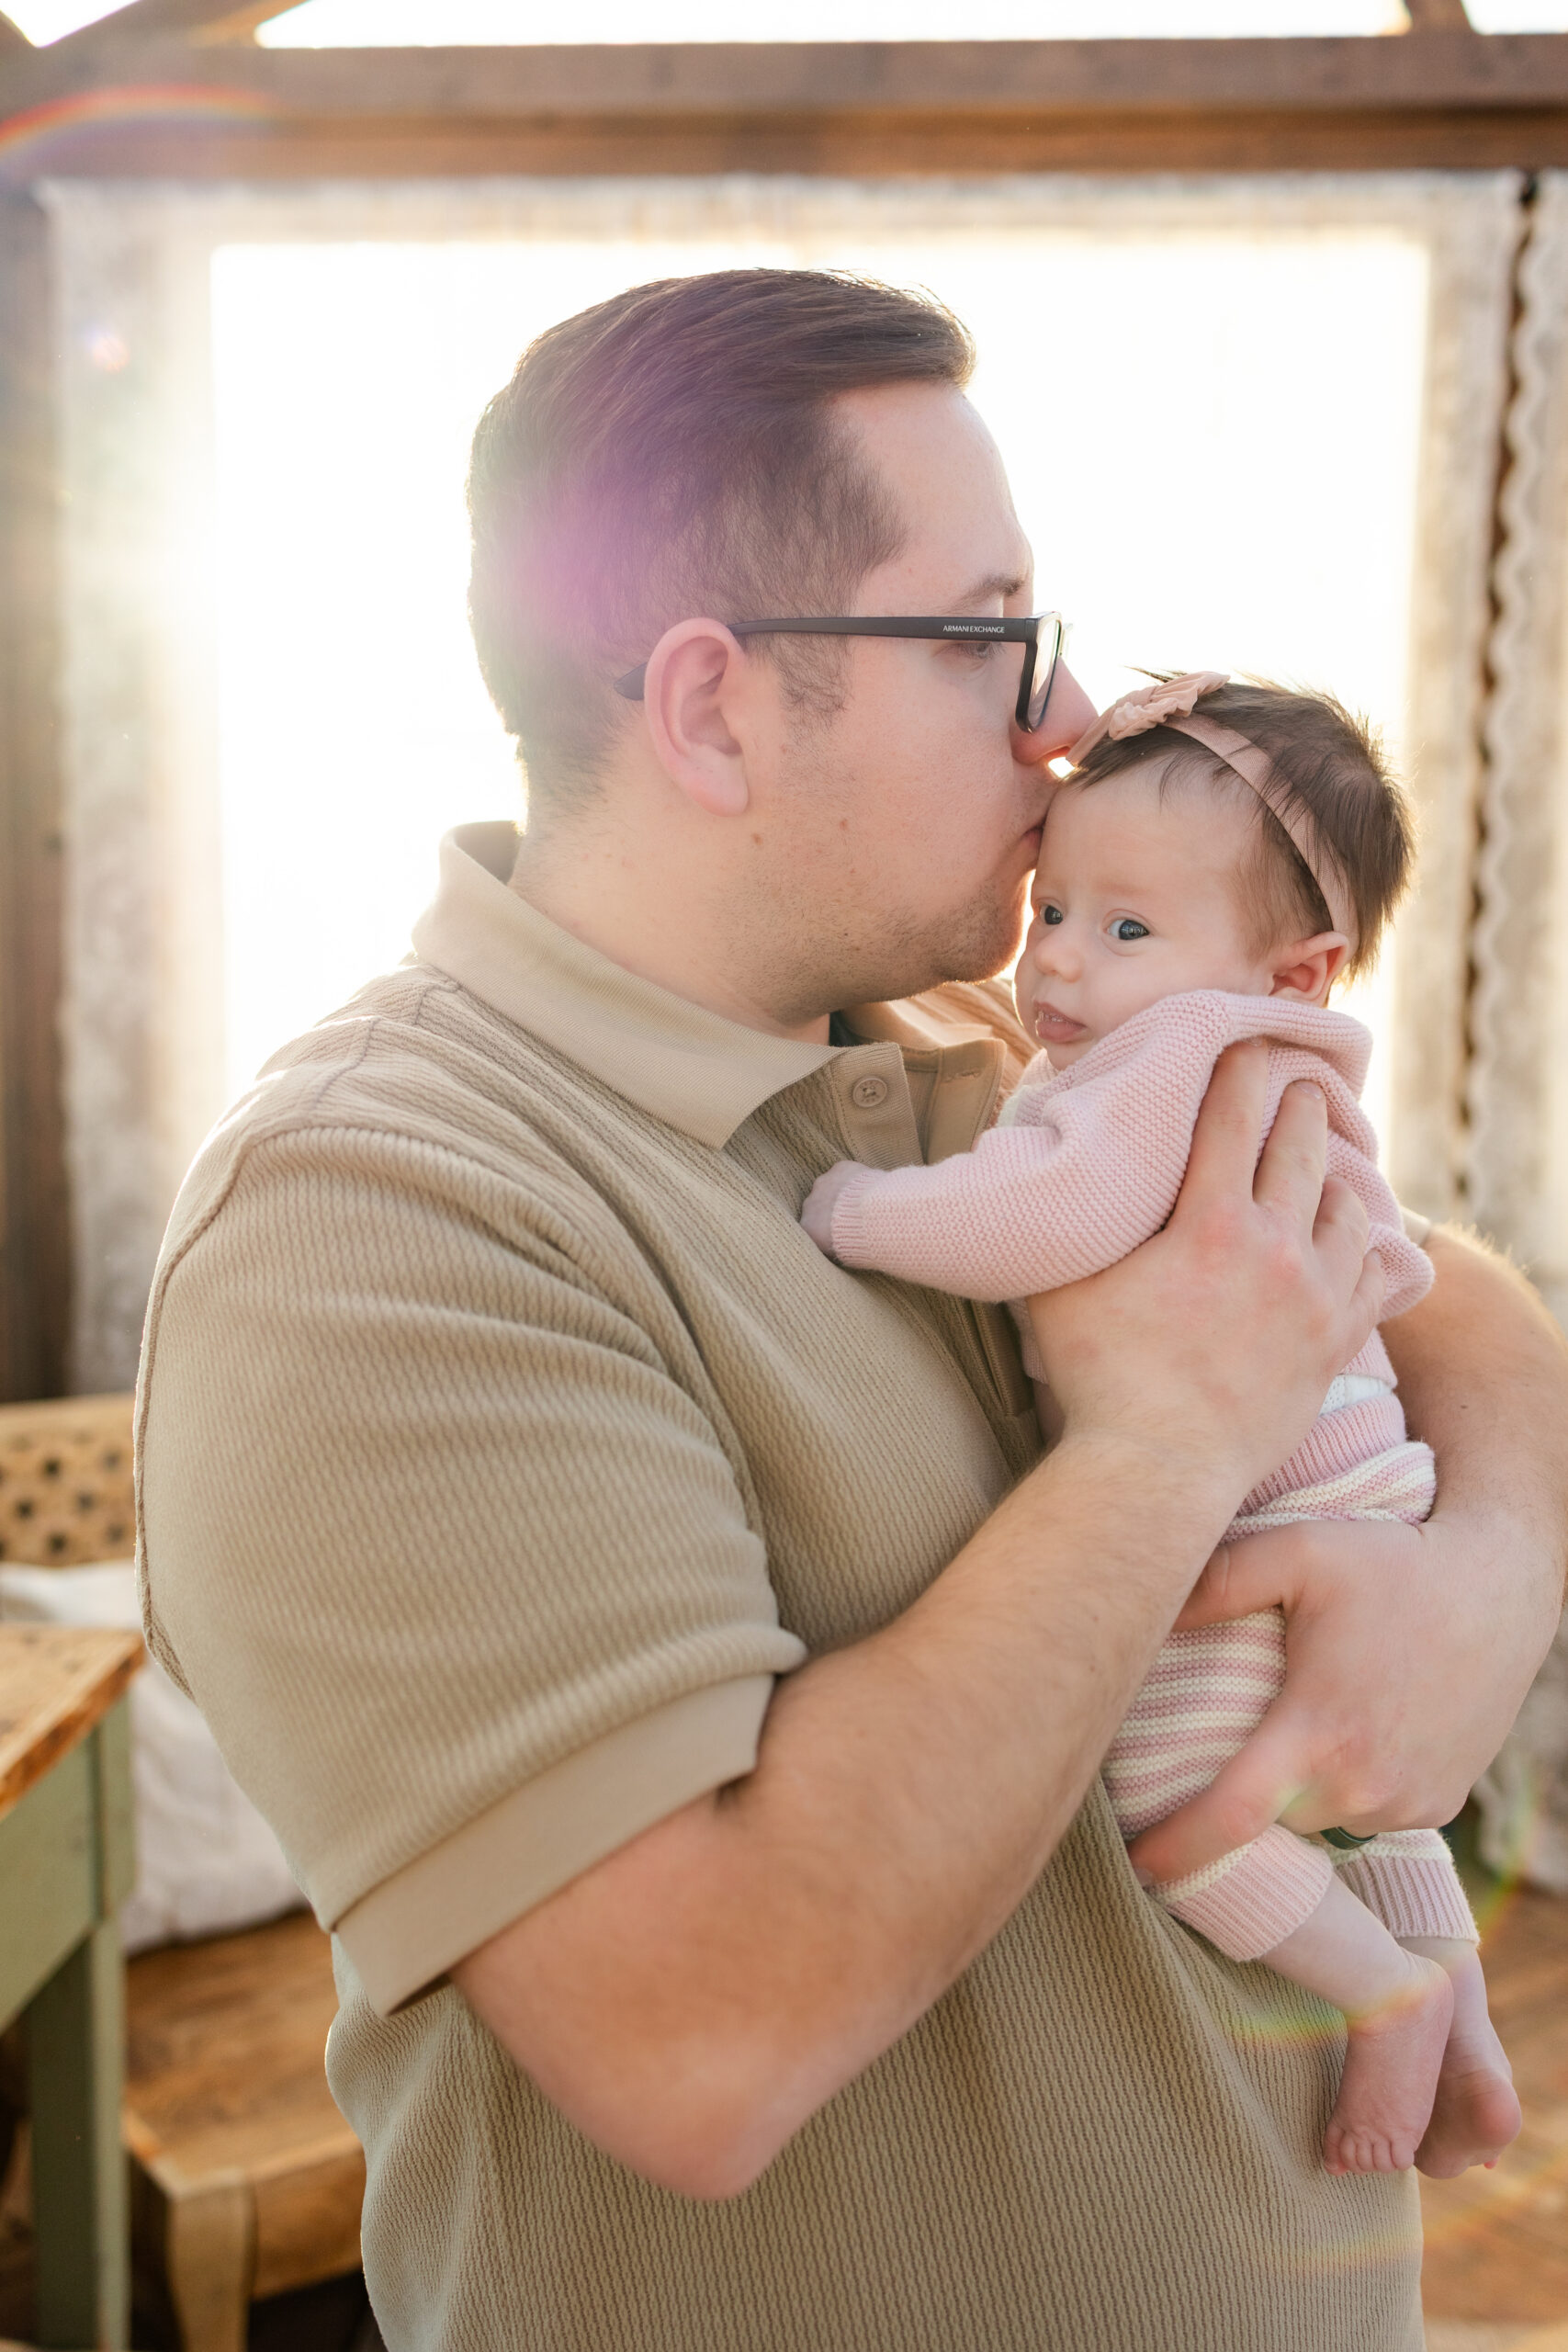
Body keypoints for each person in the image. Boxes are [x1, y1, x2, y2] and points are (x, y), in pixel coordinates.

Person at [135, 271, 1568, 2351]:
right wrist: (1162, 1443)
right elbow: (697, 2036)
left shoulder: (988, 1022)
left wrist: (1486, 1563)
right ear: (714, 704)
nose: (1065, 719)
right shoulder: (371, 1219)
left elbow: (1434, 1285)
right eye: (990, 634)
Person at [801, 668, 1521, 2182]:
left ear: (1296, 973)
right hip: (1355, 1485)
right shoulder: (1227, 1042)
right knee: (1372, 1807)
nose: (1057, 962)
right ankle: (1451, 1986)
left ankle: (1380, 1992)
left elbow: (1051, 1210)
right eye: (1054, 906)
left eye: (1125, 929)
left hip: (1273, 1508)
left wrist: (862, 1210)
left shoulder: (1166, 1062)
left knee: (1181, 1801)